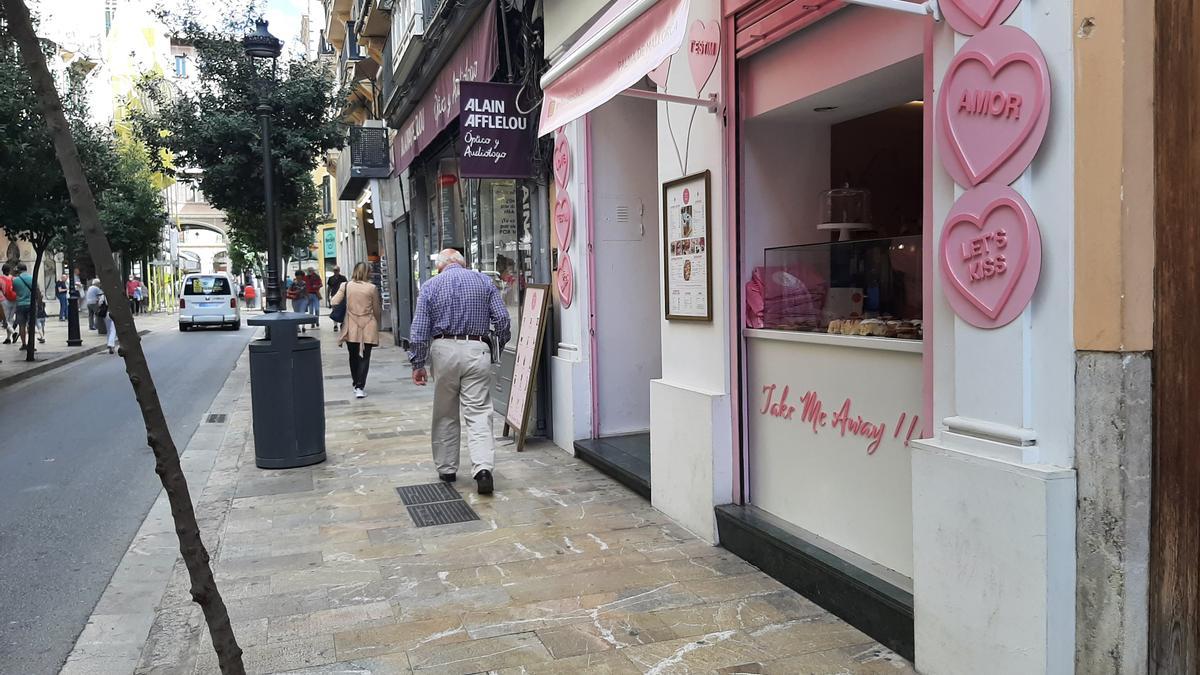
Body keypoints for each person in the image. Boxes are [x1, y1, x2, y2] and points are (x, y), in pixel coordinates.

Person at [408, 249, 511, 495]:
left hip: (444, 350)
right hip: (477, 348)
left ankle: (447, 468)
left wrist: (418, 363)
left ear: (441, 266)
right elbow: (503, 320)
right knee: (478, 413)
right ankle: (483, 469)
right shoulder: (484, 281)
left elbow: (419, 329)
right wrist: (498, 344)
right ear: (464, 264)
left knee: (445, 411)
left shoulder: (431, 286)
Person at [332, 262, 381, 399]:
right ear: (367, 272)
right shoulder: (372, 288)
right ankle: (360, 386)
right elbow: (376, 309)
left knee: (353, 356)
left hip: (351, 325)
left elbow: (334, 301)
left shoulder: (346, 286)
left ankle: (356, 384)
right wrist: (377, 322)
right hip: (368, 325)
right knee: (364, 357)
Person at [11, 264, 35, 350]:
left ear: (19, 270)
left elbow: (14, 290)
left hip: (20, 305)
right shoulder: (32, 278)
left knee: (22, 325)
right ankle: (31, 343)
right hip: (31, 304)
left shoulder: (15, 280)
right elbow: (37, 291)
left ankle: (24, 344)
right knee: (31, 325)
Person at [97, 289, 117, 354]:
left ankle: (109, 344)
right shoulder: (114, 295)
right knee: (113, 330)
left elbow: (100, 304)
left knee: (108, 330)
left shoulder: (103, 296)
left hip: (106, 313)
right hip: (113, 313)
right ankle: (111, 344)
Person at [0, 265, 16, 344]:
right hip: (14, 300)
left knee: (5, 320)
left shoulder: (0, 279)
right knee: (10, 319)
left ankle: (14, 333)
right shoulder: (13, 278)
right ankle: (8, 338)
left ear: (2, 270)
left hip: (4, 301)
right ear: (9, 270)